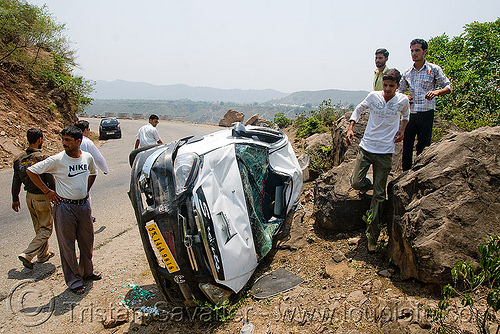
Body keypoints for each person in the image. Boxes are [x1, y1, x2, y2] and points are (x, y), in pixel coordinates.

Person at [27, 126, 101, 294]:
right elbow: (31, 171)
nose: (64, 143)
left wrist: (85, 190)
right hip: (64, 207)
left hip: (84, 206)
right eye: (63, 139)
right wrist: (48, 191)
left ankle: (87, 272)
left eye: (68, 140)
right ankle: (74, 280)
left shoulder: (87, 157)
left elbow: (93, 173)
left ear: (78, 141)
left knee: (87, 242)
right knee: (67, 245)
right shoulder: (57, 160)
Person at [346, 69, 410, 252]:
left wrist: (402, 130)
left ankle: (371, 237)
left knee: (379, 197)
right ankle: (376, 186)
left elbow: (406, 116)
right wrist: (351, 127)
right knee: (357, 182)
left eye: (391, 86)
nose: (388, 89)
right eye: (385, 85)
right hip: (367, 147)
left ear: (398, 86)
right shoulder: (373, 97)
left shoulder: (402, 100)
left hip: (385, 152)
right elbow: (359, 109)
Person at [398, 38, 452, 171]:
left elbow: (448, 86)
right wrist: (404, 96)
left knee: (424, 145)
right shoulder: (407, 73)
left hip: (426, 112)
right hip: (410, 113)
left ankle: (420, 173)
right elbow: (399, 90)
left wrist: (436, 92)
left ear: (424, 51)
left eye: (417, 50)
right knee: (407, 146)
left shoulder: (433, 69)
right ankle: (405, 174)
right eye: (412, 51)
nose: (414, 53)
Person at [12, 129, 56, 269]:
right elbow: (50, 179)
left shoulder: (19, 158)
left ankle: (43, 255)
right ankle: (28, 254)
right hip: (42, 197)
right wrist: (53, 194)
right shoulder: (43, 157)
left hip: (29, 197)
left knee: (39, 227)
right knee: (47, 229)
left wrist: (15, 198)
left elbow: (16, 180)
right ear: (39, 140)